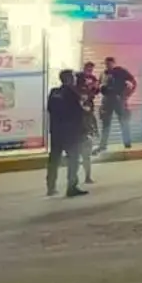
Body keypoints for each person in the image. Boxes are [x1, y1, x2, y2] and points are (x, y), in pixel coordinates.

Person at [46, 69, 88, 198]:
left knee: (54, 159)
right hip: (70, 133)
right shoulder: (73, 93)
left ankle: (51, 187)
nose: (75, 79)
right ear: (69, 79)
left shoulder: (54, 92)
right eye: (74, 77)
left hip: (56, 131)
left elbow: (50, 109)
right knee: (73, 160)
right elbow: (79, 113)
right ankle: (71, 187)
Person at [95, 57, 137, 152]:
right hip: (107, 101)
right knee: (106, 123)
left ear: (113, 63)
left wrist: (127, 95)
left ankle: (127, 143)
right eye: (106, 64)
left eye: (109, 63)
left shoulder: (120, 71)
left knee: (123, 122)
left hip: (119, 100)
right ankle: (103, 144)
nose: (107, 66)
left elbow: (133, 81)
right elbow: (98, 86)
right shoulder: (104, 74)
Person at [74, 66, 100, 185]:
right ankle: (79, 179)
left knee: (83, 156)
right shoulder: (75, 97)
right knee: (81, 156)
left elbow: (90, 114)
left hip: (83, 131)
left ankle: (85, 177)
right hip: (79, 131)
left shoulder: (85, 95)